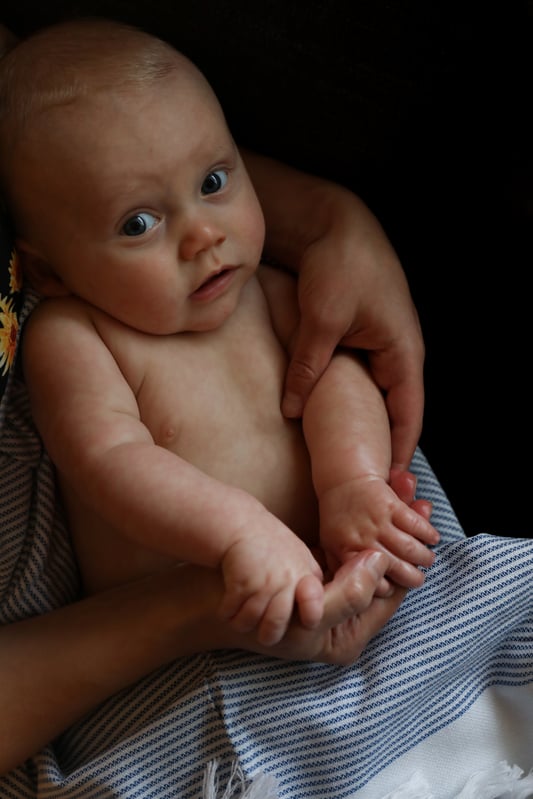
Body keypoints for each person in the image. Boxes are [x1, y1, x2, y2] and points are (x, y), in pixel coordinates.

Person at [0, 18, 438, 647]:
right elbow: (111, 460)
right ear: (48, 270)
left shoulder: (266, 291)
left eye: (212, 182)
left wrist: (353, 482)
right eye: (139, 223)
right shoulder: (74, 336)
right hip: (189, 667)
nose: (204, 235)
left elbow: (335, 375)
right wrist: (240, 534)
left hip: (358, 593)